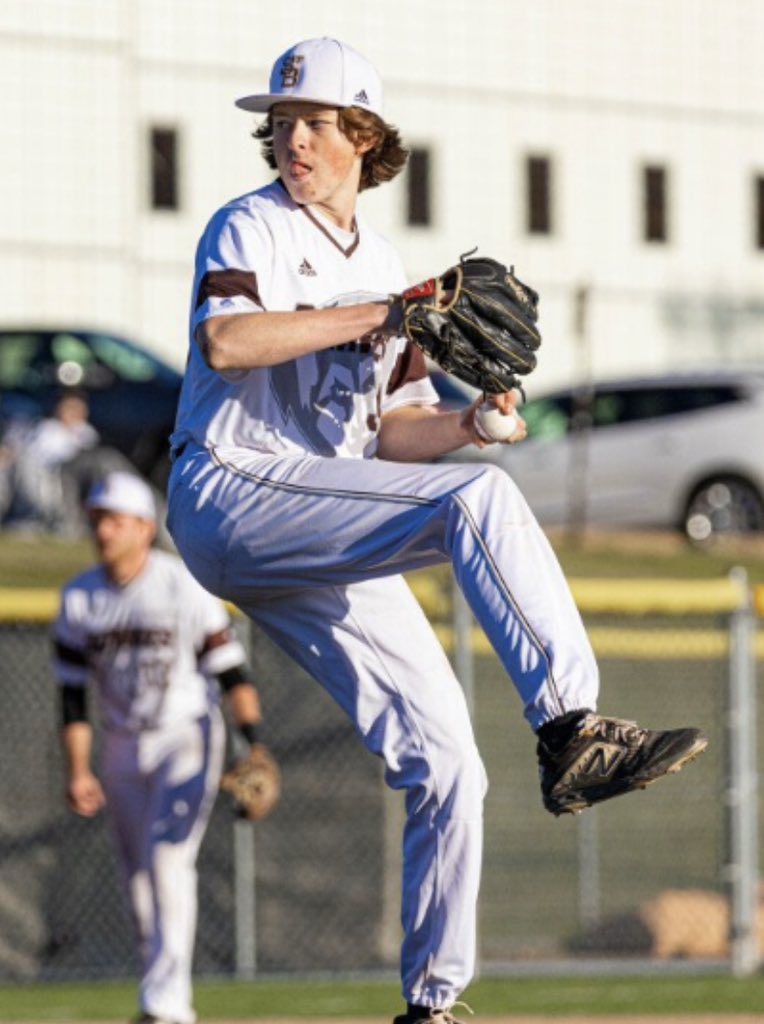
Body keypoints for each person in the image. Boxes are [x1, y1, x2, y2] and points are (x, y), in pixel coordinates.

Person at [165, 37, 707, 1024]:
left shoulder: (379, 263)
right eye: (282, 122)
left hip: (319, 515)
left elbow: (391, 432)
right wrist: (389, 313)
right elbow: (227, 341)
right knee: (476, 502)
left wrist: (468, 425)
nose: (295, 139)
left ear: (364, 139)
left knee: (448, 760)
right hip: (232, 490)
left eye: (317, 122)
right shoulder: (251, 224)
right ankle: (570, 727)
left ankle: (432, 1003)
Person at [53, 471, 270, 1024]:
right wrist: (79, 770)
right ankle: (161, 996)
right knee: (137, 881)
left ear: (145, 528)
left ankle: (166, 1007)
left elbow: (232, 673)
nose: (103, 531)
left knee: (168, 861)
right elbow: (72, 698)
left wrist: (255, 744)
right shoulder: (80, 597)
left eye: (115, 521)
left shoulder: (182, 585)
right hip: (123, 743)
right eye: (98, 520)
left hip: (186, 736)